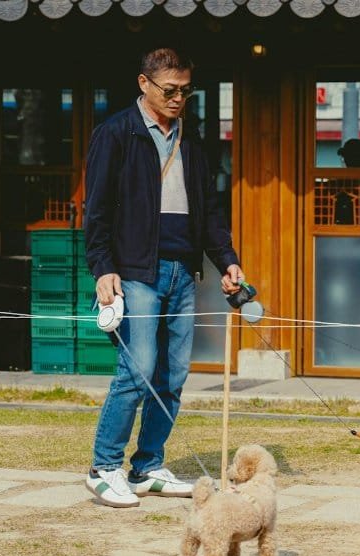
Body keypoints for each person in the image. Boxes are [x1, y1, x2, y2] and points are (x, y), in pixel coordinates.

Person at [82, 47, 244, 508]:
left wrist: (227, 259)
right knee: (136, 372)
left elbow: (210, 211)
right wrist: (103, 269)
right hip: (134, 271)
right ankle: (103, 467)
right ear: (144, 84)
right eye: (170, 90)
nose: (178, 99)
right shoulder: (115, 134)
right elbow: (95, 212)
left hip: (182, 272)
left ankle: (148, 465)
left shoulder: (192, 143)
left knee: (172, 375)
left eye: (186, 91)